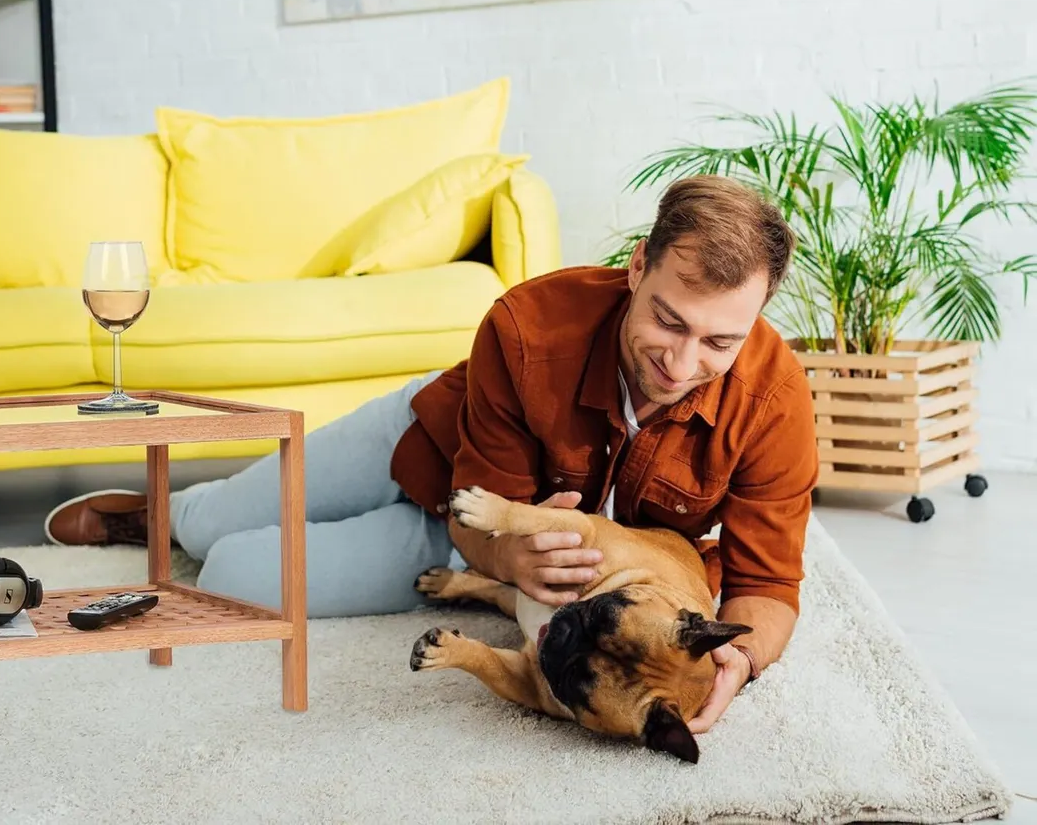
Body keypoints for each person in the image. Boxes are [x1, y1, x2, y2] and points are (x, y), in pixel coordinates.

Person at [45, 174, 818, 734]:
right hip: (429, 446)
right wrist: (513, 560)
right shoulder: (529, 324)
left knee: (233, 572)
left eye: (719, 340)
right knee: (214, 528)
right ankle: (165, 511)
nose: (682, 365)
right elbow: (483, 502)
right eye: (669, 323)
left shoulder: (775, 400)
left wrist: (739, 664)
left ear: (756, 318)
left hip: (458, 548)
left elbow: (767, 586)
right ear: (637, 266)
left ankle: (205, 531)